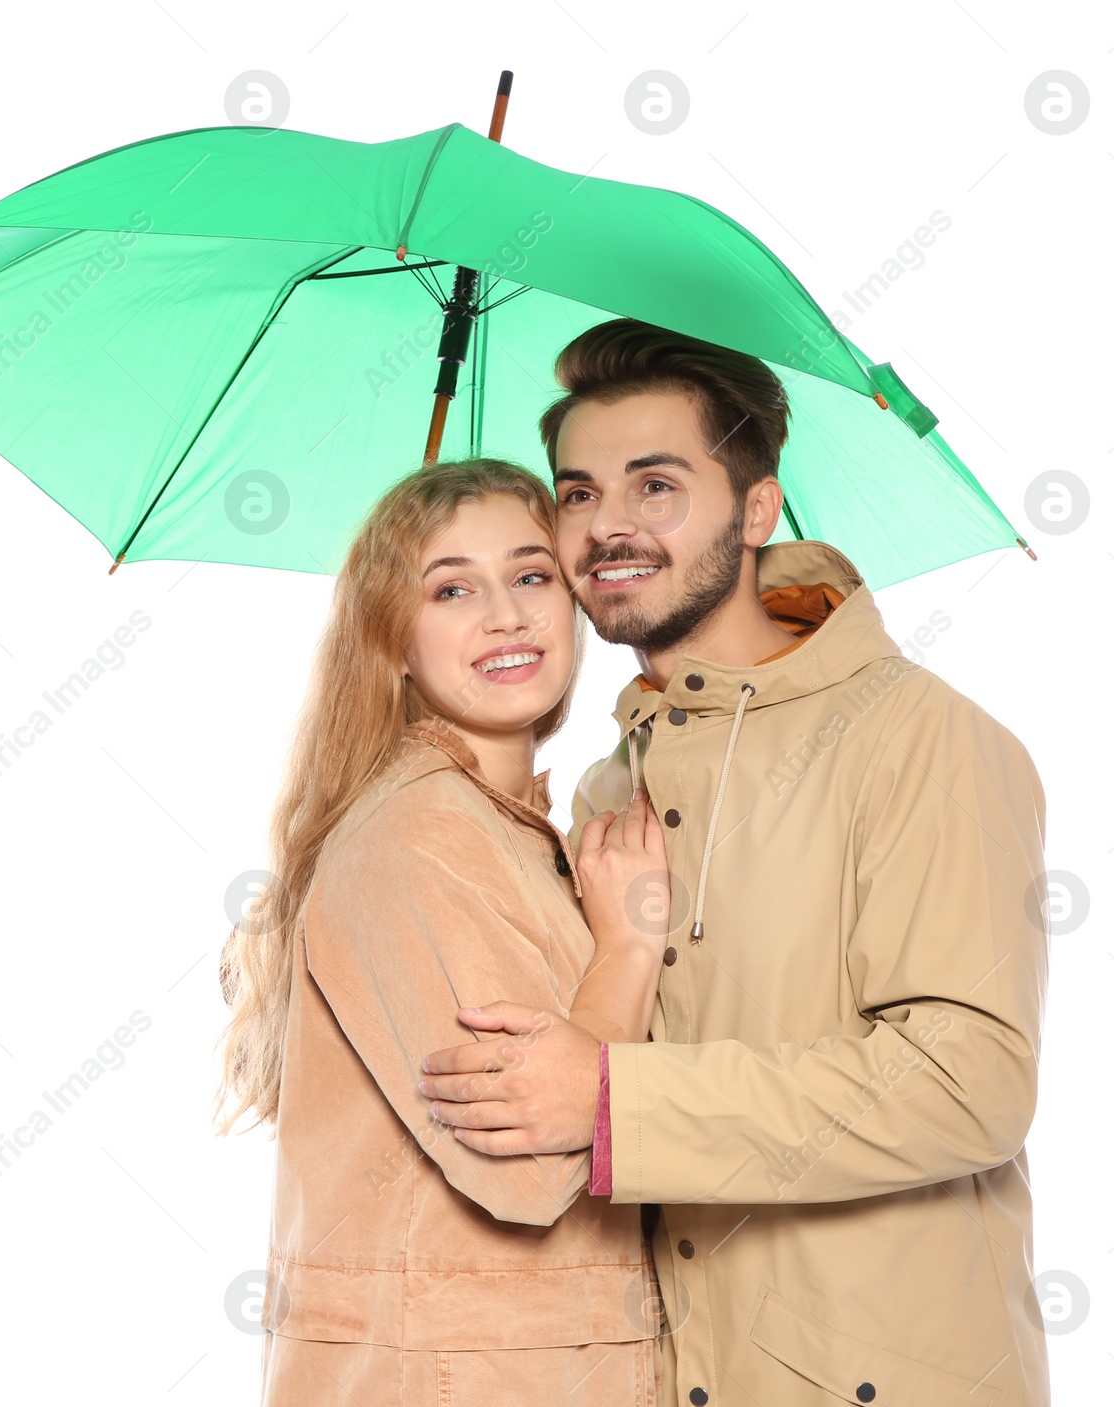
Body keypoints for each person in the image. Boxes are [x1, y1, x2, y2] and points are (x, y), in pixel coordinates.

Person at [418, 321, 1053, 1407]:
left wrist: (614, 1102)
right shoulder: (608, 787)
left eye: (654, 485)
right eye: (576, 494)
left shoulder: (919, 740)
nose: (607, 527)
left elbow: (967, 1082)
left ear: (756, 509)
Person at [214, 457, 675, 1406]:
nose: (506, 614)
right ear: (393, 639)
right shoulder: (422, 836)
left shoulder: (500, 829)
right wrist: (629, 947)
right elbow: (532, 1167)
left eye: (532, 574)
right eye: (451, 588)